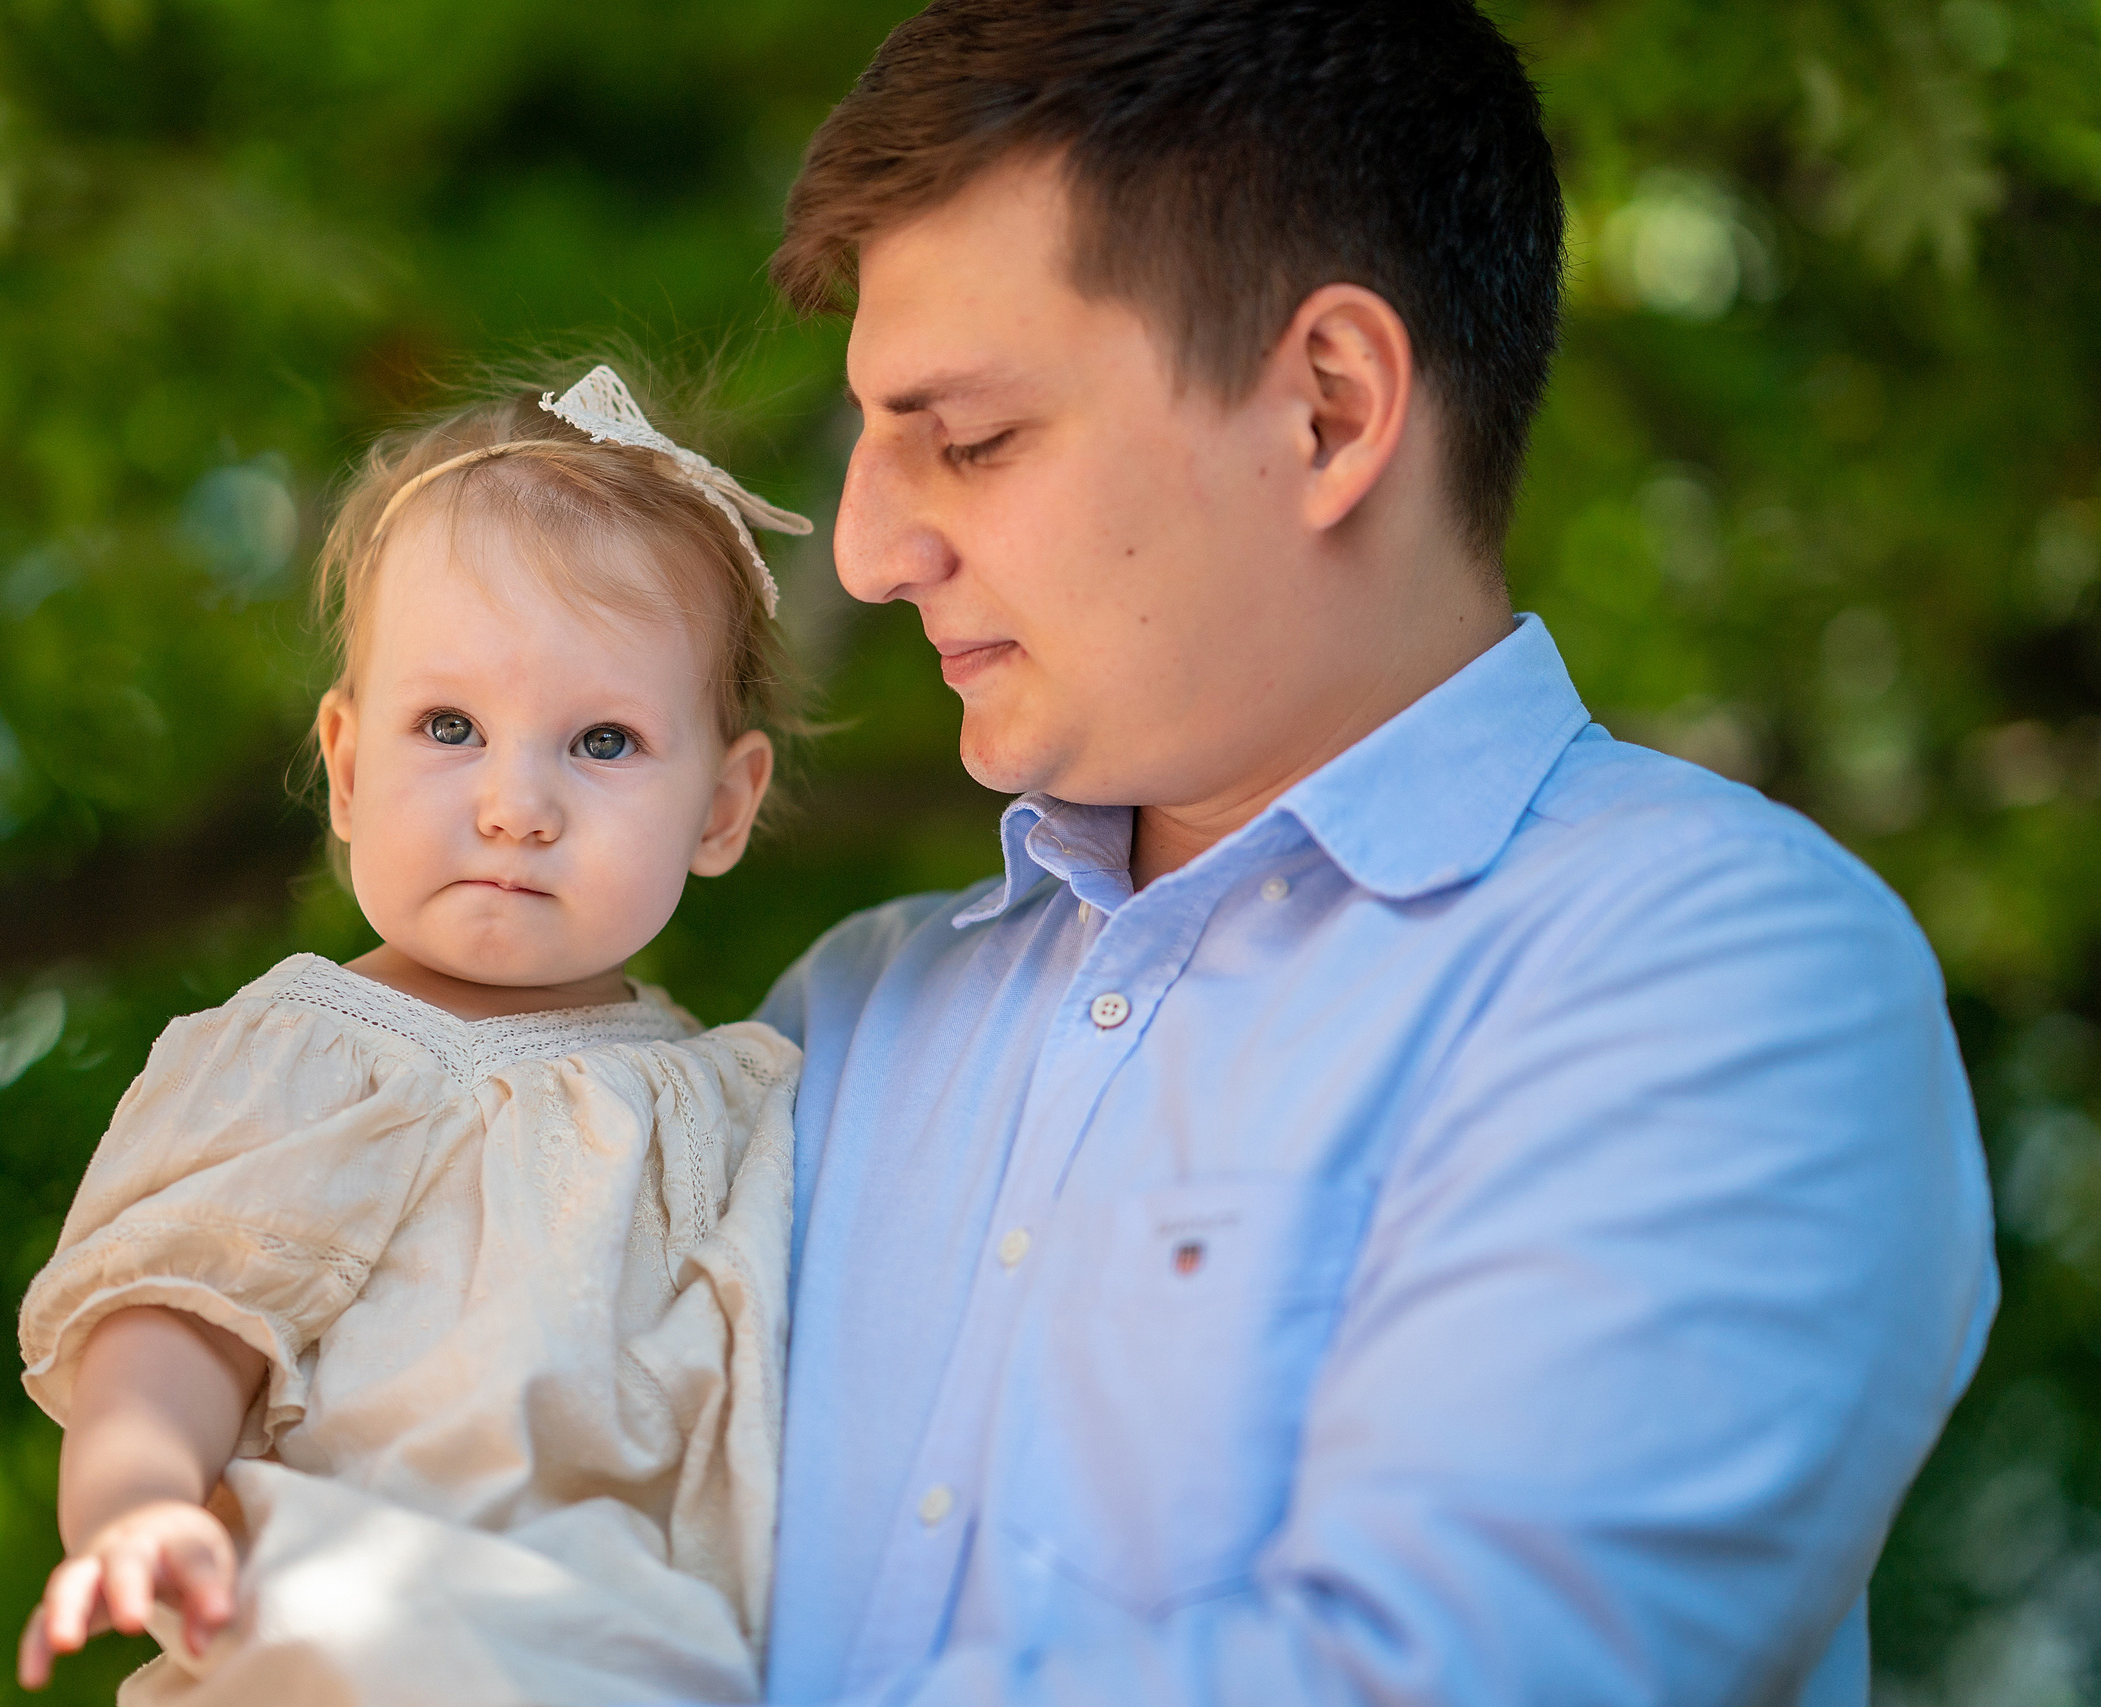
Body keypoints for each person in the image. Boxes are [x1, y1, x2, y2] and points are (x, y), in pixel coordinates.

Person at [752, 2, 1997, 1703]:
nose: (877, 550)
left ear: (1329, 410)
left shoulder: (1723, 974)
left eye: (969, 439)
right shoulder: (848, 1023)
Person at [11, 365, 809, 1705]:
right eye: (450, 727)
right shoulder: (317, 1057)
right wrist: (139, 1503)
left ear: (722, 809)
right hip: (356, 1637)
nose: (515, 805)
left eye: (603, 742)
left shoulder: (729, 1091)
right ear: (347, 764)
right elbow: (177, 1322)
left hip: (632, 1661)